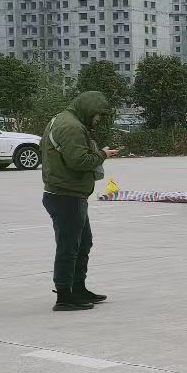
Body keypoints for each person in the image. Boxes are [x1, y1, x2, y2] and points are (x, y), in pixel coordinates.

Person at [40, 90, 120, 312]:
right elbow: (79, 161)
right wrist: (103, 154)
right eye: (97, 115)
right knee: (69, 246)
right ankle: (65, 295)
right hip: (66, 195)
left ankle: (78, 288)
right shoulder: (72, 127)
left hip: (66, 193)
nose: (98, 119)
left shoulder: (62, 119)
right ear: (88, 109)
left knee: (83, 243)